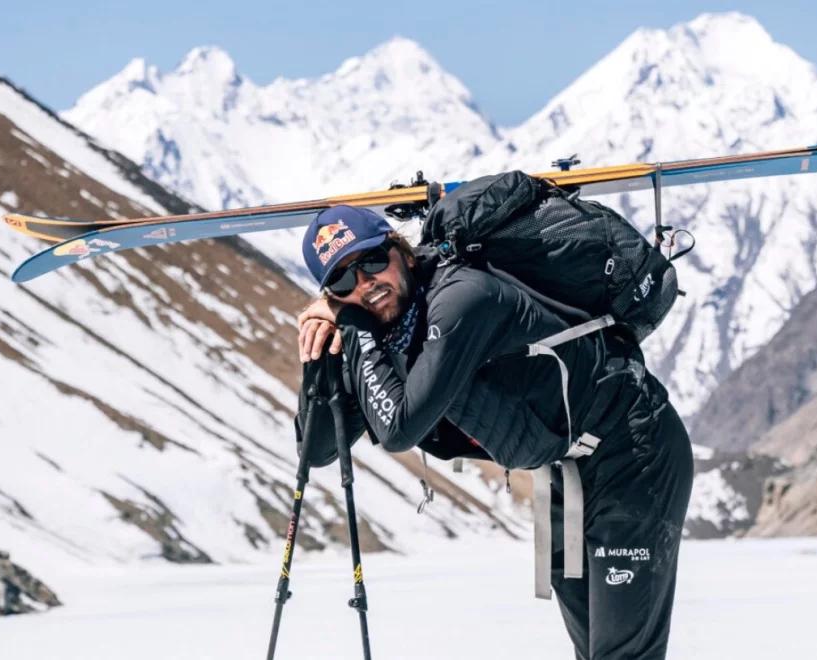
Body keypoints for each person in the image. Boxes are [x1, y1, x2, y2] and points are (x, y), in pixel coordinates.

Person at [296, 204, 694, 659]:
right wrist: (322, 354)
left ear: (402, 253)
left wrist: (352, 325)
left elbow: (400, 430)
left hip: (633, 450)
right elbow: (317, 450)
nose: (366, 285)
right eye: (344, 281)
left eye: (371, 262)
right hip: (566, 474)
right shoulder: (385, 336)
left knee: (623, 655)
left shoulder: (463, 298)